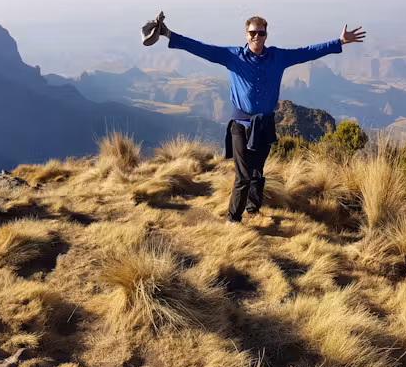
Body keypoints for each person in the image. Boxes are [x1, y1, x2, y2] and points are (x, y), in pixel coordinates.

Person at [141, 14, 366, 223]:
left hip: (265, 124)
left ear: (267, 35)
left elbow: (306, 51)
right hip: (240, 126)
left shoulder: (278, 57)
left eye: (261, 33)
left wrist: (339, 42)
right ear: (246, 35)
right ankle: (233, 219)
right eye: (252, 33)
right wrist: (168, 34)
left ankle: (253, 209)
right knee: (244, 175)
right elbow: (201, 48)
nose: (257, 37)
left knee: (258, 172)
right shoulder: (232, 56)